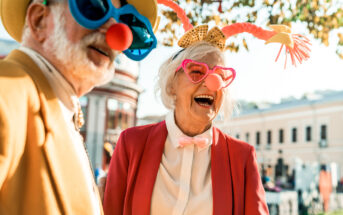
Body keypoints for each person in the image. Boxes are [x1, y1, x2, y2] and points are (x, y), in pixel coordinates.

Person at [103, 1, 310, 214]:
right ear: (172, 85)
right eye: (196, 72)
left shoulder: (243, 157)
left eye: (219, 76)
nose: (210, 83)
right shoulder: (131, 143)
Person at [0, 0, 158, 214]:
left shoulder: (65, 112)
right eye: (93, 6)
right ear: (39, 19)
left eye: (127, 22)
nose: (116, 31)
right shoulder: (7, 91)